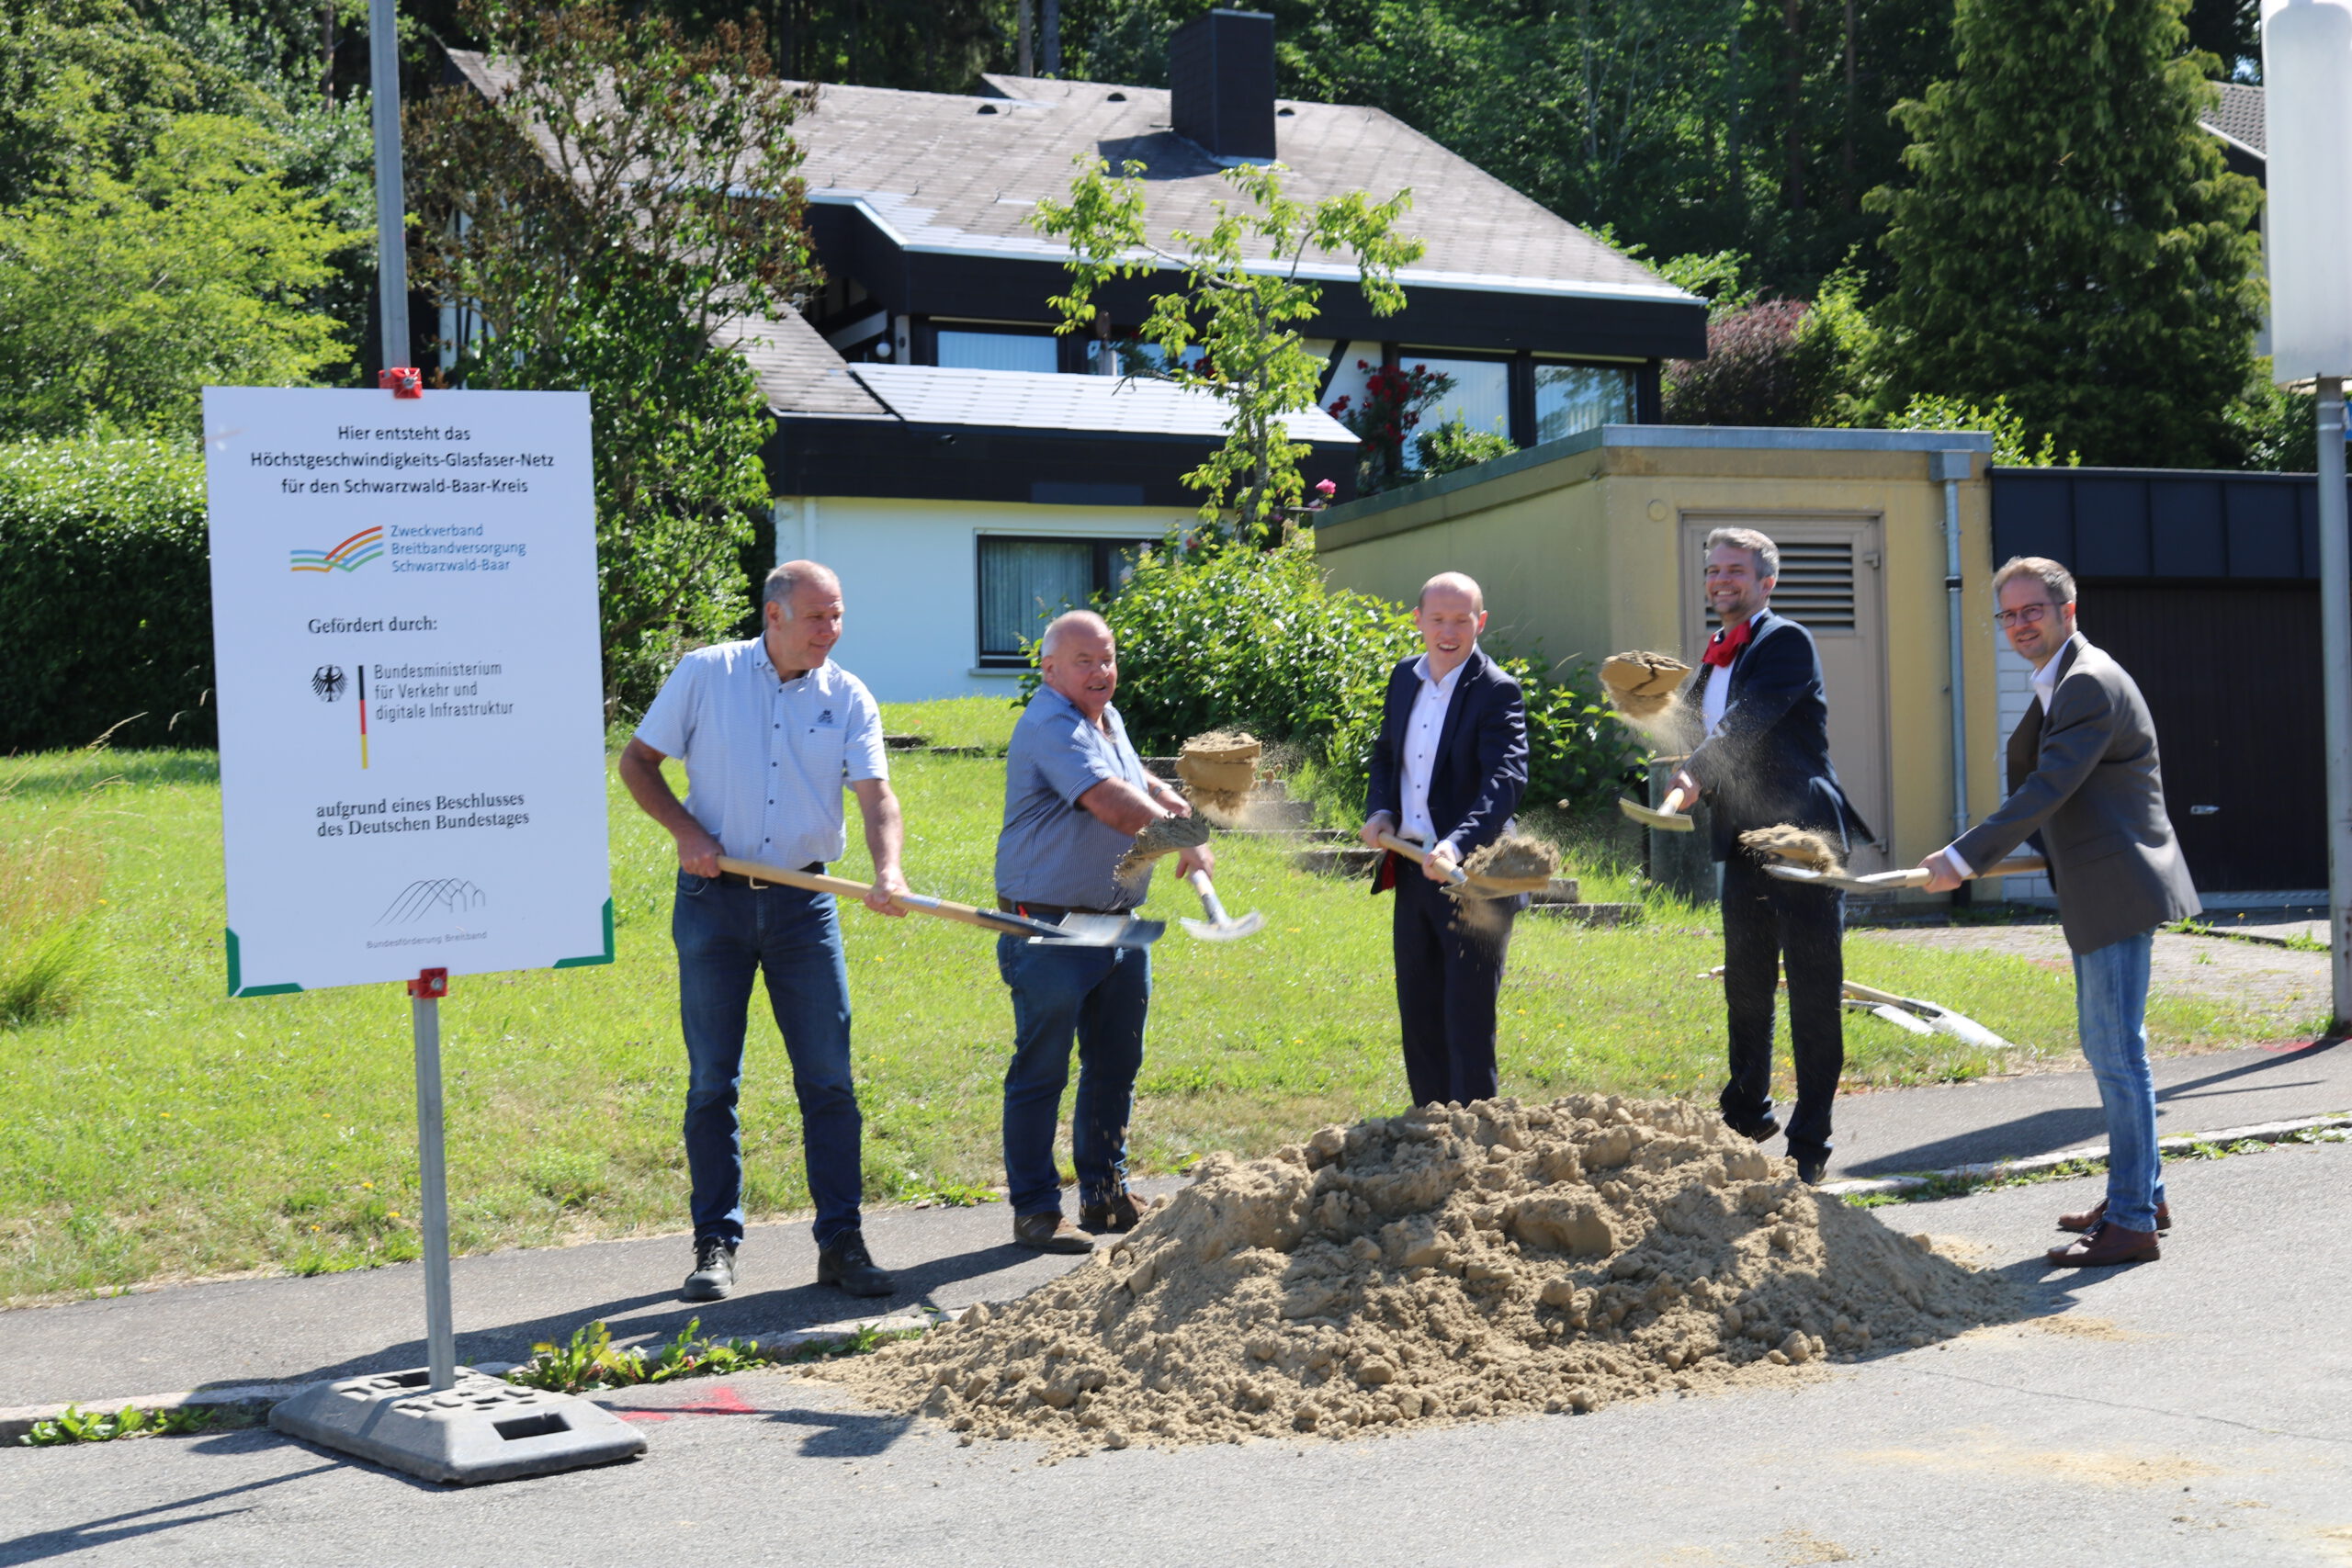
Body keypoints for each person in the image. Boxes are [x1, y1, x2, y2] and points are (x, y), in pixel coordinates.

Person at [618, 559, 910, 1303]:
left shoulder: (847, 696)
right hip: (711, 901)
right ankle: (715, 1243)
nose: (831, 631)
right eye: (817, 617)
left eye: (838, 616)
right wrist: (685, 830)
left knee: (829, 1079)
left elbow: (877, 796)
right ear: (773, 615)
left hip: (803, 906)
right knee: (713, 1081)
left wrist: (889, 870)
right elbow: (639, 761)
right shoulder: (705, 674)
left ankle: (841, 1241)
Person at [1922, 556, 2199, 1267]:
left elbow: (2047, 788)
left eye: (2031, 611)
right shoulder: (2065, 680)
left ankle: (2134, 1220)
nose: (2019, 625)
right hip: (2103, 885)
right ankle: (2143, 1193)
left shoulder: (2086, 684)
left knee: (2116, 1055)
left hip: (2116, 886)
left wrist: (1961, 859)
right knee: (2116, 1053)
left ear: (2067, 610)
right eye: (2008, 615)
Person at [994, 610, 1211, 1253]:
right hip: (1050, 923)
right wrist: (1180, 836)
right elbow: (1106, 801)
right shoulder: (1047, 724)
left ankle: (1104, 1194)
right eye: (1083, 661)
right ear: (1050, 667)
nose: (1100, 671)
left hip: (1117, 922)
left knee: (1116, 1061)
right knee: (1042, 1067)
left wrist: (1168, 799)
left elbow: (1128, 776)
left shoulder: (1103, 715)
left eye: (1107, 658)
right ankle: (1035, 1208)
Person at [1668, 527, 1870, 1185]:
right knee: (1746, 984)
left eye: (1734, 570)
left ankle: (1809, 1147)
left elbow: (1745, 723)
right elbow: (1696, 728)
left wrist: (1696, 769)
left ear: (1765, 582)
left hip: (1801, 839)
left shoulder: (1785, 640)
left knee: (1813, 993)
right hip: (1743, 840)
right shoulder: (1715, 656)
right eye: (1713, 570)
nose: (1720, 580)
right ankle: (1745, 1113)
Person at [1357, 571, 1530, 1107]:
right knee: (1420, 1013)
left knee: (1467, 1019)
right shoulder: (1403, 677)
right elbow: (1387, 753)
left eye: (1461, 620)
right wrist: (1380, 810)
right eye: (1438, 619)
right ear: (1419, 621)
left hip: (1474, 877)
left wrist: (1456, 844)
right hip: (1412, 873)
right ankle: (1427, 1137)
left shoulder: (1497, 689)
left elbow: (1507, 779)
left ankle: (1477, 1153)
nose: (1449, 631)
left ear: (1480, 623)